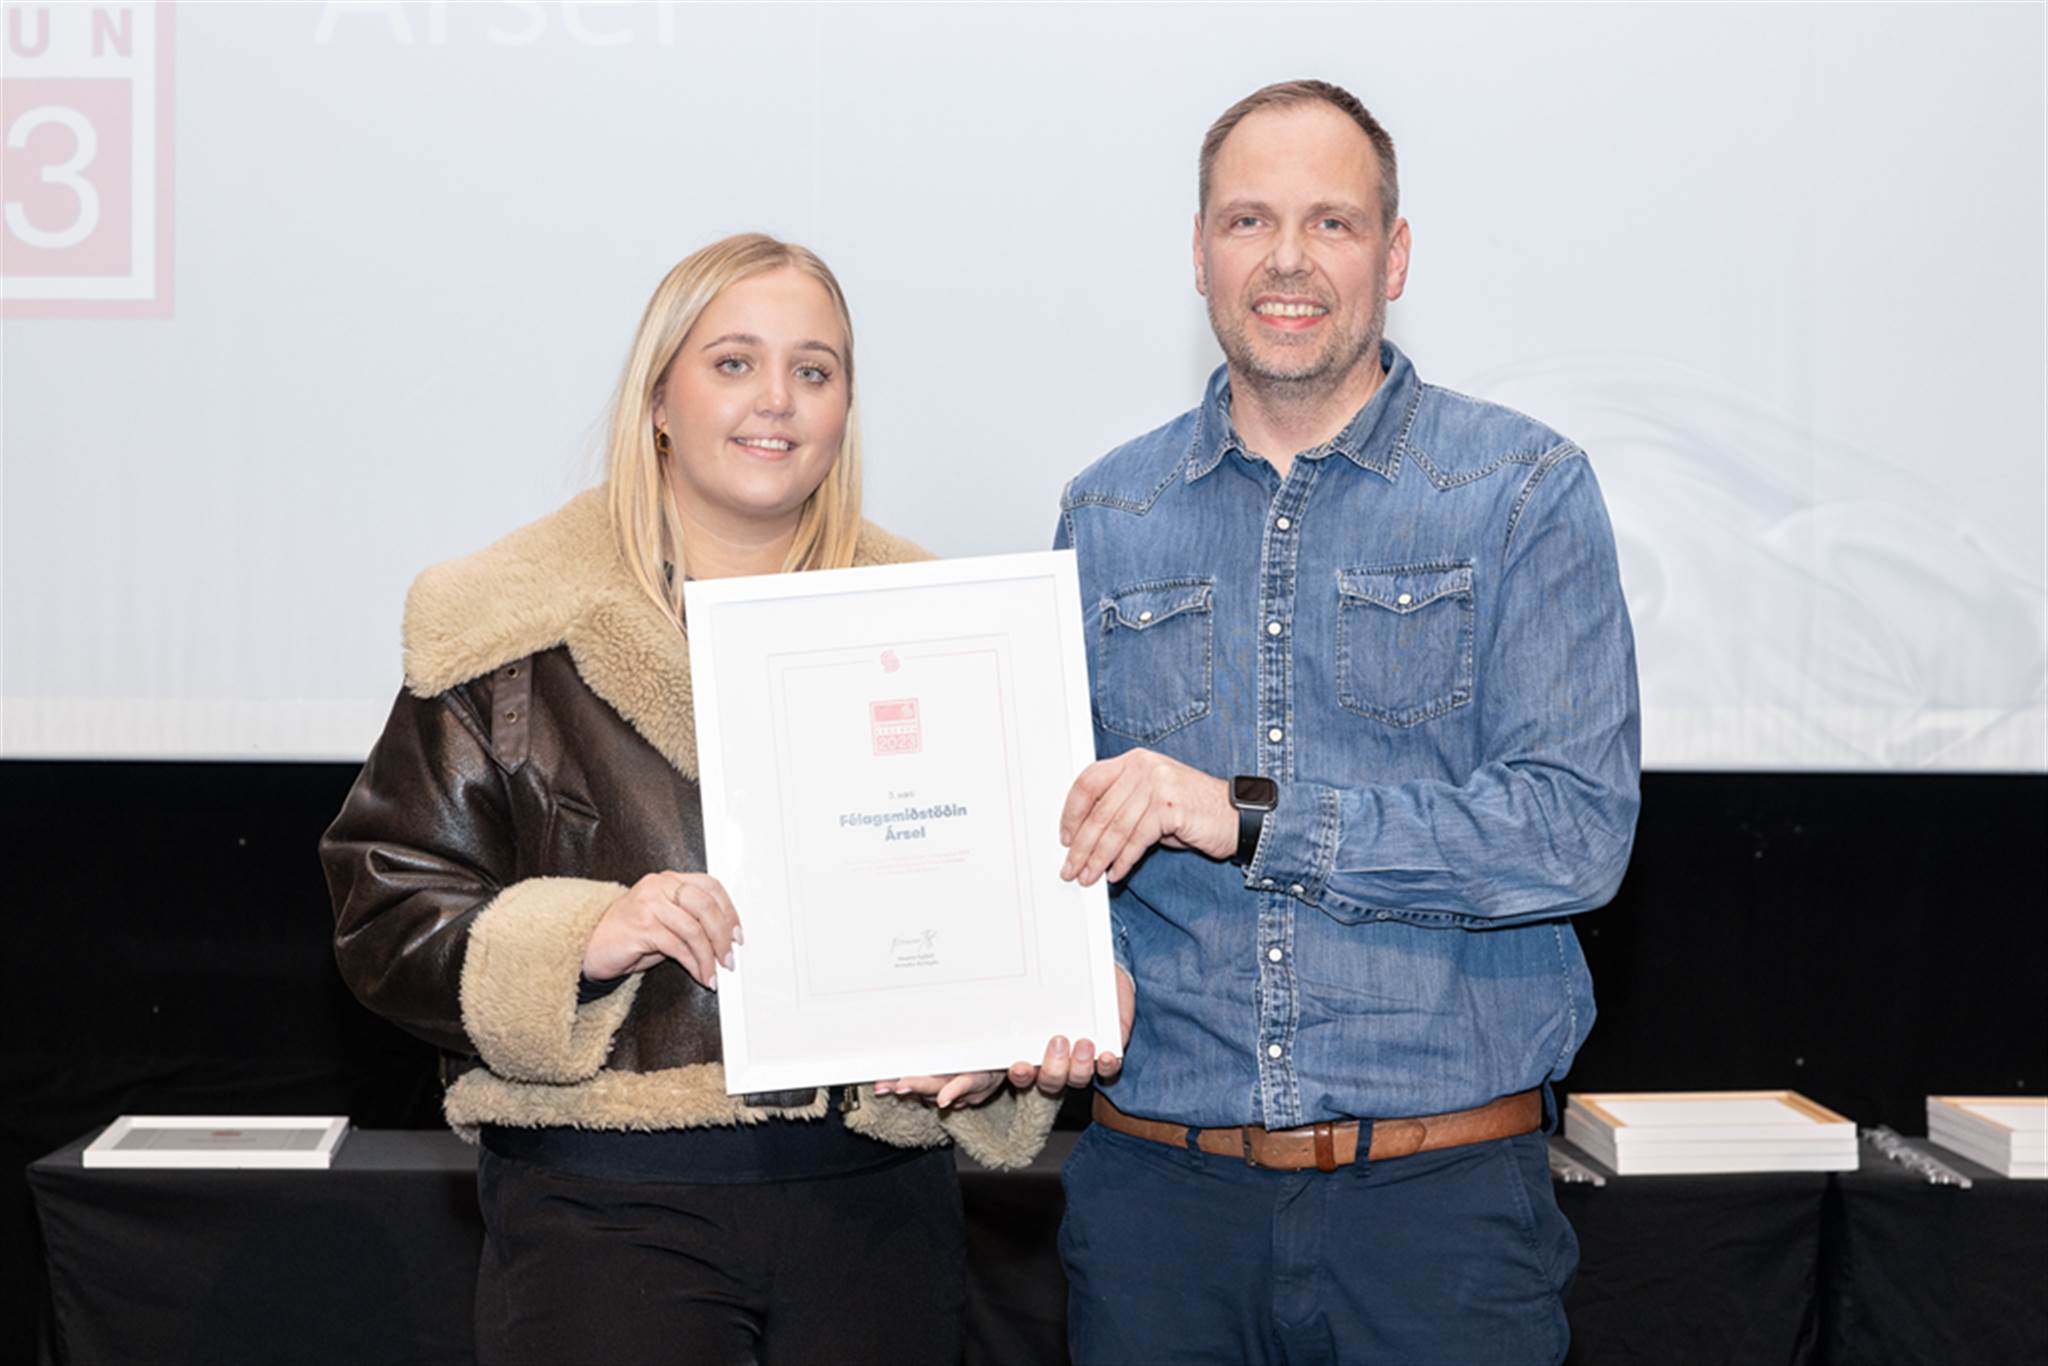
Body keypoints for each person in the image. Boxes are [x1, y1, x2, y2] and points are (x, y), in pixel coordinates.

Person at [319, 233, 1075, 1366]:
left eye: (813, 370)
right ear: (659, 400)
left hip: (878, 1202)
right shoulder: (504, 625)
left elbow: (999, 893)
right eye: (733, 362)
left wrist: (1005, 1022)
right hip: (602, 1213)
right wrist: (580, 938)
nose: (777, 399)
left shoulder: (936, 625)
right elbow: (384, 910)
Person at [1046, 80, 1642, 1365]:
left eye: (1331, 222)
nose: (1287, 259)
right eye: (1247, 221)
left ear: (1394, 254)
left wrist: (1252, 816)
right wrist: (1050, 966)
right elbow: (1059, 838)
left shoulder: (1519, 491)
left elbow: (1571, 833)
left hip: (1438, 1216)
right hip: (1158, 1212)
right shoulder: (1105, 514)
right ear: (1198, 253)